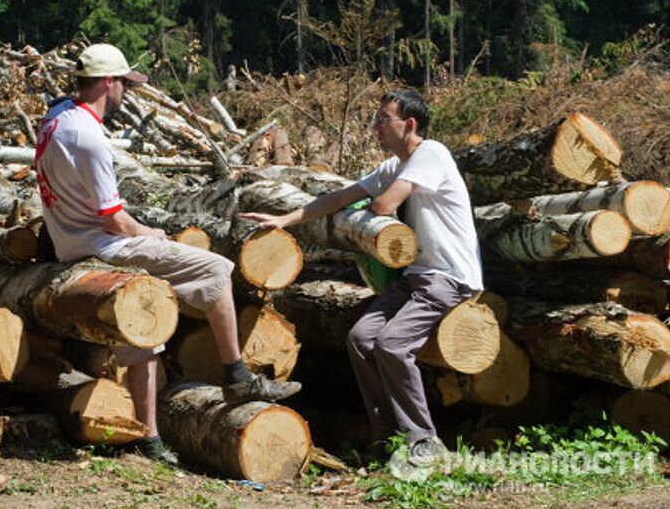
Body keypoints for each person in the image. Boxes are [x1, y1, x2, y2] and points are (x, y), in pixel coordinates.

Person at [34, 44, 301, 464]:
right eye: (124, 83)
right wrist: (152, 233)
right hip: (104, 244)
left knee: (143, 329)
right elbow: (115, 220)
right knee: (217, 269)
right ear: (108, 82)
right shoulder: (89, 139)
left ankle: (150, 441)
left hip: (71, 242)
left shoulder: (56, 119)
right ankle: (237, 377)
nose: (126, 93)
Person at [240, 89, 483, 466]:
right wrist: (285, 220)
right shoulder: (392, 166)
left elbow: (385, 205)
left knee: (391, 345)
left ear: (410, 124)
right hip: (417, 277)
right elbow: (338, 198)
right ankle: (387, 437)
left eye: (383, 119)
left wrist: (373, 207)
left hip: (449, 277)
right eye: (376, 119)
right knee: (360, 338)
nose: (375, 127)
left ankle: (424, 440)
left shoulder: (431, 153)